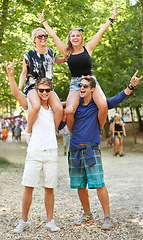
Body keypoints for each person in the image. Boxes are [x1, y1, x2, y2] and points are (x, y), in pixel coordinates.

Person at [59, 70, 142, 230]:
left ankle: (107, 217)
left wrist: (131, 86)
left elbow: (117, 99)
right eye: (79, 85)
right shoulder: (73, 107)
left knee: (99, 183)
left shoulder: (97, 106)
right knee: (79, 185)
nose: (81, 88)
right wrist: (63, 112)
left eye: (85, 85)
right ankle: (87, 215)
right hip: (75, 150)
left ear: (92, 89)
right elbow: (58, 117)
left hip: (91, 150)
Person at [37, 8, 120, 133]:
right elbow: (54, 36)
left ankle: (99, 129)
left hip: (91, 80)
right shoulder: (66, 51)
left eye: (78, 36)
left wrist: (112, 17)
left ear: (81, 38)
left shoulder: (88, 48)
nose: (75, 38)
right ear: (70, 39)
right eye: (73, 36)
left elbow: (101, 31)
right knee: (70, 110)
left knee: (103, 106)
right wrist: (43, 21)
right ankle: (73, 135)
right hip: (76, 83)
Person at [4, 59, 60, 233]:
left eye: (47, 90)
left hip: (51, 152)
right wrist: (11, 75)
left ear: (50, 92)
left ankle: (50, 221)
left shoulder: (54, 109)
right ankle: (24, 220)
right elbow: (16, 93)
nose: (44, 93)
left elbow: (65, 109)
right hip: (35, 151)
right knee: (28, 186)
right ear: (37, 90)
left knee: (49, 188)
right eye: (41, 90)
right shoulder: (30, 107)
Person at [19, 27, 65, 143]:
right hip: (33, 86)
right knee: (36, 106)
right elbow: (24, 72)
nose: (43, 38)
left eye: (45, 36)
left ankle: (52, 132)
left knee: (59, 108)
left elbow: (58, 60)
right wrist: (19, 88)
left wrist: (70, 56)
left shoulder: (51, 52)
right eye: (40, 36)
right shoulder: (29, 55)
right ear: (34, 40)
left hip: (48, 87)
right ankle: (29, 131)